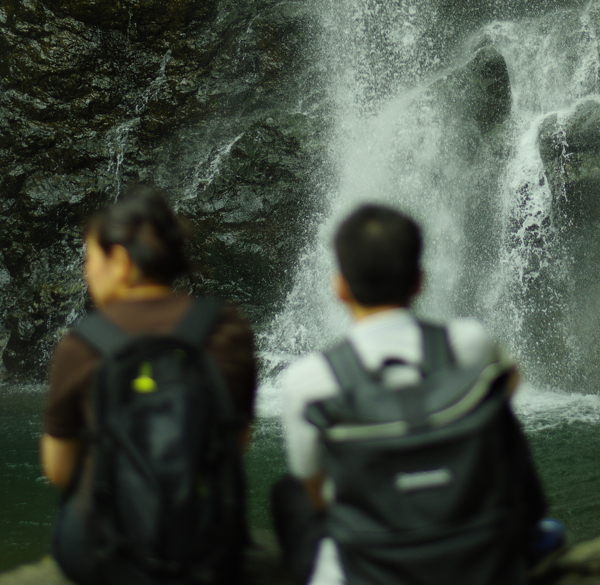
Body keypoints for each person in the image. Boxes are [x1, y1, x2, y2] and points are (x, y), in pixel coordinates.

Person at [274, 202, 554, 585]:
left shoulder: (308, 380)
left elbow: (314, 489)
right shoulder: (469, 342)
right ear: (420, 280)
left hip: (367, 568)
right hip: (480, 559)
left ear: (339, 286)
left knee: (289, 495)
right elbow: (509, 388)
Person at [42, 188, 257, 585]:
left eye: (91, 258)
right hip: (208, 544)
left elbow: (58, 469)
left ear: (121, 261)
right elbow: (237, 440)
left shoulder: (83, 343)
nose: (87, 271)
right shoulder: (227, 328)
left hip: (107, 549)